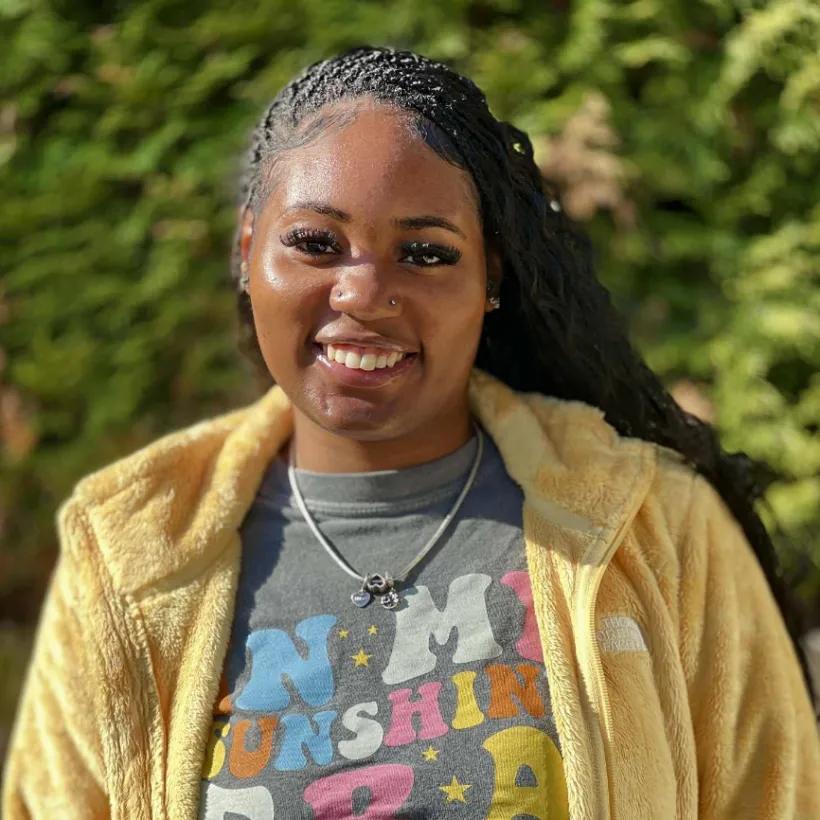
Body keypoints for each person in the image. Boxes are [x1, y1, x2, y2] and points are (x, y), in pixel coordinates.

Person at [3, 45, 819, 820]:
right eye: (315, 243)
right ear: (247, 250)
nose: (363, 292)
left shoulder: (653, 525)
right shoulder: (128, 552)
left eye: (425, 253)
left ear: (490, 276)